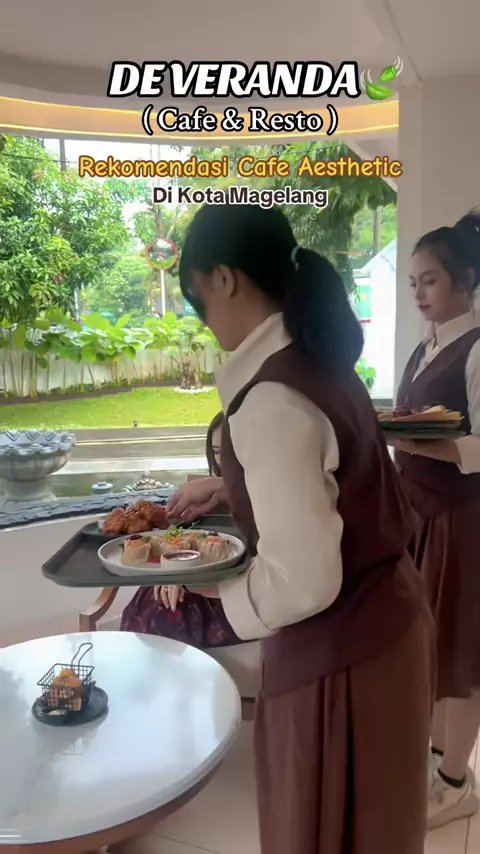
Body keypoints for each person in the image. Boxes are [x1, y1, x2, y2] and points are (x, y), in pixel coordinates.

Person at [165, 203, 434, 854]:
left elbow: (304, 581)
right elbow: (334, 485)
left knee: (324, 831)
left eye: (198, 299)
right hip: (388, 627)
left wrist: (213, 589)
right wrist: (231, 488)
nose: (205, 321)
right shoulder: (320, 363)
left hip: (340, 653)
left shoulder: (272, 397)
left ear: (224, 278)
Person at [392, 211, 480, 829]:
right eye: (413, 283)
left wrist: (420, 442)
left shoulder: (476, 349)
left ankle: (456, 781)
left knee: (464, 653)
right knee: (431, 645)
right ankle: (434, 759)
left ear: (466, 281)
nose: (419, 294)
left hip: (462, 520)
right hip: (420, 515)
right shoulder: (427, 346)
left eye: (430, 281)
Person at [120, 411, 242, 647]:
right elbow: (179, 539)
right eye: (217, 452)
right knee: (158, 600)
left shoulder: (271, 500)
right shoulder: (204, 499)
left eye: (231, 451)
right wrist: (172, 573)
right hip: (191, 581)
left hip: (237, 596)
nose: (223, 461)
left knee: (171, 611)